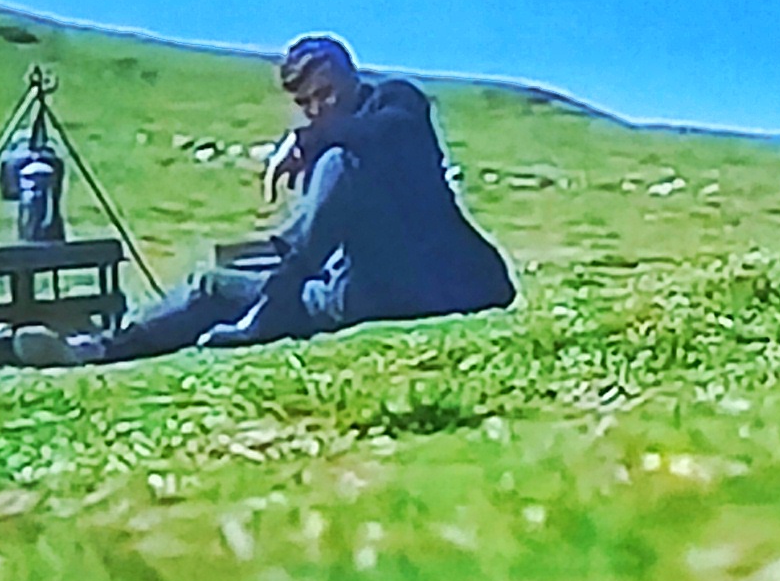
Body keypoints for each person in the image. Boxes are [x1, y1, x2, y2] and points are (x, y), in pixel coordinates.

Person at [57, 34, 514, 363]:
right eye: (307, 103)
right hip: (353, 290)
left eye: (326, 94)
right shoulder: (329, 144)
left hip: (430, 285)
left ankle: (268, 312)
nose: (319, 109)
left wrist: (305, 141)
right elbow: (314, 234)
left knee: (336, 164)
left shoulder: (396, 104)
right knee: (213, 285)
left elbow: (380, 133)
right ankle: (98, 349)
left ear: (353, 76)